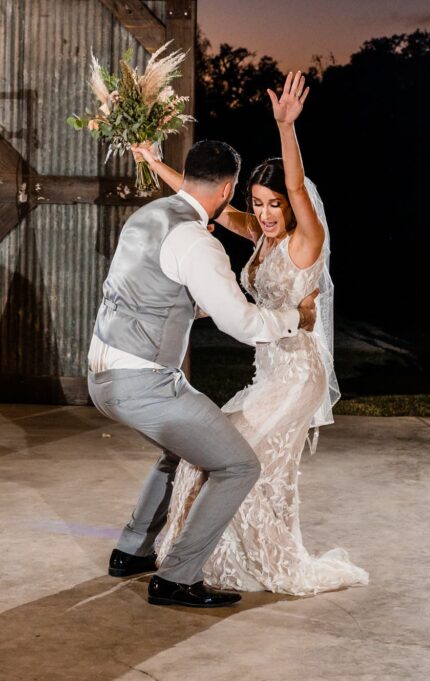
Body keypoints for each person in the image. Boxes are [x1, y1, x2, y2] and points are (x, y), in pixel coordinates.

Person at [141, 73, 368, 595]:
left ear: (293, 205)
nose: (265, 213)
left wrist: (286, 128)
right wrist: (154, 162)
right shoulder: (260, 236)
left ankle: (269, 561)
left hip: (297, 376)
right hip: (268, 374)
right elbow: (204, 200)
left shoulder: (306, 241)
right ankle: (200, 560)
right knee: (219, 455)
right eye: (258, 203)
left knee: (244, 464)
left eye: (275, 204)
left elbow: (295, 183)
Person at [90, 139, 320, 608]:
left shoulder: (146, 217)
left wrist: (155, 165)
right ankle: (177, 577)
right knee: (239, 465)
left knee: (182, 450)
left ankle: (131, 551)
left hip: (100, 374)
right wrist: (297, 317)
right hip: (144, 383)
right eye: (253, 201)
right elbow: (242, 324)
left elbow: (153, 292)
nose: (262, 212)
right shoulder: (197, 241)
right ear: (231, 188)